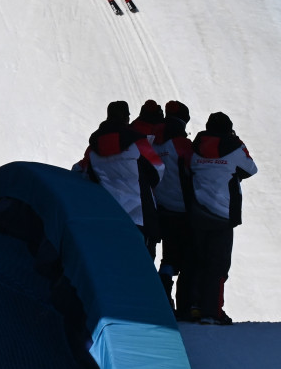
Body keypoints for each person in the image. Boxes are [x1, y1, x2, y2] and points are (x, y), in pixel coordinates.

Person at [186, 112, 258, 325]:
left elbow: (189, 169)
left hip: (198, 211)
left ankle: (194, 307)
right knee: (218, 265)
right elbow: (251, 169)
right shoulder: (234, 147)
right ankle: (212, 312)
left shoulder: (196, 147)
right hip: (223, 214)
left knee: (198, 261)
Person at [74, 101, 165, 249]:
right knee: (141, 262)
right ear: (126, 118)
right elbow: (157, 169)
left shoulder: (93, 147)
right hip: (139, 215)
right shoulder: (138, 142)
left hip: (107, 214)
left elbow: (81, 173)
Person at [153, 100, 196, 319]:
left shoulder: (154, 141)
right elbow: (195, 169)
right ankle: (185, 306)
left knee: (168, 257)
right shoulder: (181, 144)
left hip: (161, 206)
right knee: (188, 257)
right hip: (183, 209)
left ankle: (163, 297)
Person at [130, 100, 166, 257]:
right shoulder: (145, 137)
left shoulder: (128, 132)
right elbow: (158, 170)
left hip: (114, 207)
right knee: (146, 254)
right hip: (143, 208)